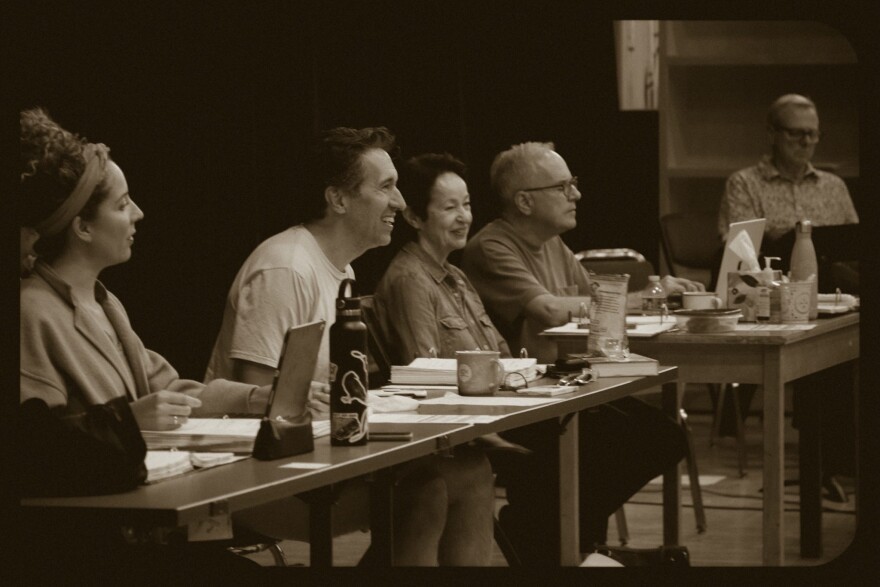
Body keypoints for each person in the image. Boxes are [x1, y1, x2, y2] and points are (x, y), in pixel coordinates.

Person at [206, 127, 495, 566]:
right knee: (424, 489)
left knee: (473, 473)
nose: (399, 202)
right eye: (386, 187)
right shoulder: (286, 269)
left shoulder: (341, 271)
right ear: (338, 200)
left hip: (324, 456)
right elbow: (257, 396)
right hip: (254, 476)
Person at [19, 107, 263, 578]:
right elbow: (40, 448)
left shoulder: (107, 303)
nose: (139, 213)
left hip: (145, 517)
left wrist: (259, 399)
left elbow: (175, 393)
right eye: (122, 203)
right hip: (98, 543)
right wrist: (130, 420)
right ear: (82, 227)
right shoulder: (31, 311)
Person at [460, 141, 699, 562]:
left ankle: (560, 538)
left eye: (574, 184)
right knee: (625, 442)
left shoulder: (554, 245)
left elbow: (598, 300)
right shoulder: (491, 247)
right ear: (524, 201)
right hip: (521, 402)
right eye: (564, 186)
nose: (577, 194)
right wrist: (647, 296)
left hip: (566, 389)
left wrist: (653, 294)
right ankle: (562, 540)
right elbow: (549, 310)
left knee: (662, 436)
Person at [718, 94, 858, 496]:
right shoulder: (745, 183)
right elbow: (739, 252)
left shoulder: (833, 186)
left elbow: (854, 247)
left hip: (834, 300)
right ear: (772, 135)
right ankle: (826, 458)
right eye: (797, 134)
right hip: (769, 304)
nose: (807, 142)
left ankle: (841, 456)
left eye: (813, 134)